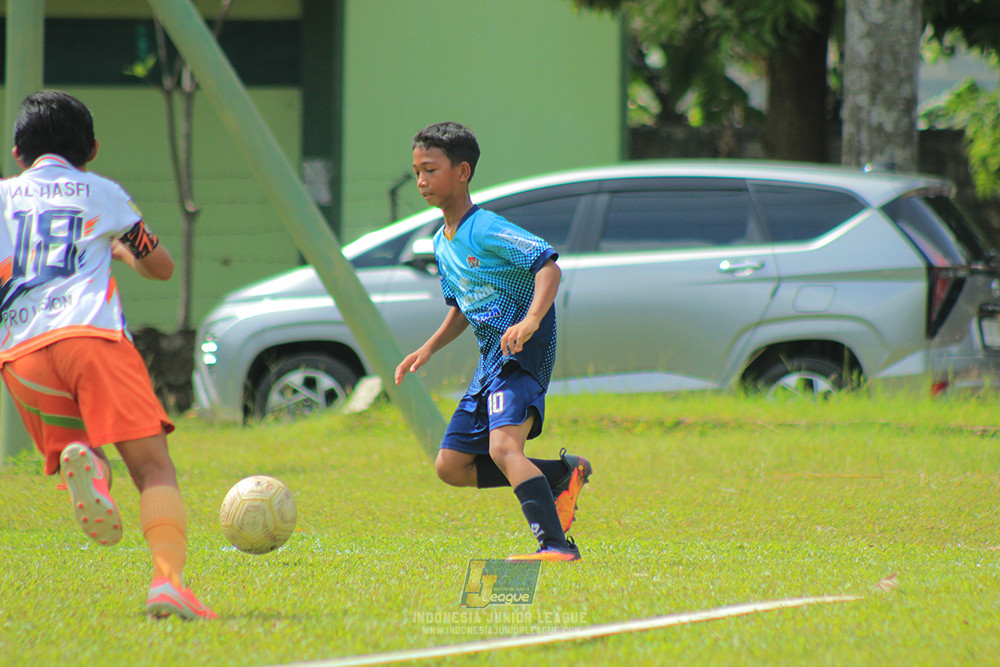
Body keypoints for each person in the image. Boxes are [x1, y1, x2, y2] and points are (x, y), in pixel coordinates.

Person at [0, 90, 215, 620]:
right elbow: (160, 265)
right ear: (91, 149)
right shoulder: (101, 193)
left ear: (16, 151)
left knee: (85, 449)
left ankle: (90, 468)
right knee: (153, 470)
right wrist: (121, 249)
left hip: (21, 352)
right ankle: (168, 584)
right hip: (92, 338)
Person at [395, 122, 592, 562]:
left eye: (431, 169)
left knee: (504, 448)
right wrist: (428, 347)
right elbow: (465, 305)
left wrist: (531, 321)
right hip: (491, 362)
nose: (422, 181)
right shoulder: (440, 243)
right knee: (451, 466)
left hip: (523, 355)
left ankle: (556, 546)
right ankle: (563, 474)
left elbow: (548, 267)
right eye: (416, 172)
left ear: (462, 172)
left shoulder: (485, 228)